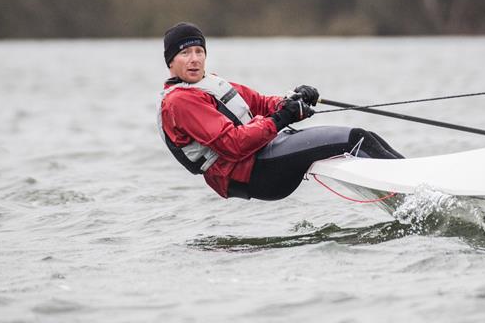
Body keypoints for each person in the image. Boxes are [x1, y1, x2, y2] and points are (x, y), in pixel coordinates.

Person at [158, 22, 404, 200]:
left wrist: (292, 99)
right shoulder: (180, 101)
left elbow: (260, 103)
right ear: (171, 62)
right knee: (354, 139)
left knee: (364, 137)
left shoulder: (207, 82)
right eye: (185, 53)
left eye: (199, 51)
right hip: (252, 172)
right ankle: (414, 191)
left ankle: (413, 182)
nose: (194, 59)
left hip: (262, 155)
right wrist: (282, 117)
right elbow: (233, 144)